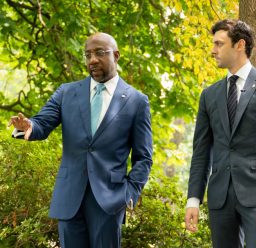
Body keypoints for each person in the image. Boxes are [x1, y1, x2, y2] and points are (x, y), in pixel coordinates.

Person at [8, 32, 153, 248]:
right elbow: (42, 123)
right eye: (88, 55)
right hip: (69, 199)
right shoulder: (67, 93)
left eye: (99, 53)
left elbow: (144, 157)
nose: (92, 59)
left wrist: (129, 193)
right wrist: (29, 126)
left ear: (116, 55)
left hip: (109, 201)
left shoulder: (136, 101)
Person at [185, 19, 256, 248]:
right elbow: (201, 152)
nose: (213, 50)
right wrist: (193, 199)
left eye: (219, 44)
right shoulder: (209, 95)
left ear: (239, 45)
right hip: (220, 199)